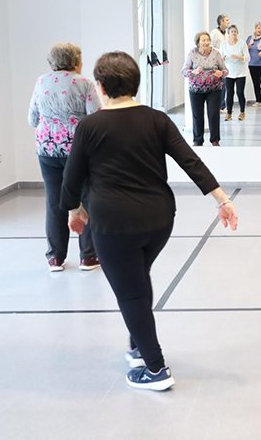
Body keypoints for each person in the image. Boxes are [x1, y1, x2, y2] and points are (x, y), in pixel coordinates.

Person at [62, 51, 239, 391]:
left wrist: (74, 211)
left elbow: (71, 181)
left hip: (114, 225)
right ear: (136, 83)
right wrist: (222, 199)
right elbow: (191, 160)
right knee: (137, 279)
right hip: (159, 220)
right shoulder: (156, 119)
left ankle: (155, 368)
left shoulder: (89, 126)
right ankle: (138, 343)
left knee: (130, 293)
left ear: (100, 87)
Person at [28, 42, 102, 272]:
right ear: (77, 61)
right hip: (78, 151)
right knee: (87, 198)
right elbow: (96, 118)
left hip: (47, 150)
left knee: (54, 201)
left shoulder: (41, 81)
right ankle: (88, 256)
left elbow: (32, 118)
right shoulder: (84, 83)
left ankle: (55, 258)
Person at [182, 31, 227, 146]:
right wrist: (193, 71)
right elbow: (184, 71)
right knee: (197, 115)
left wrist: (220, 73)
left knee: (213, 114)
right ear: (198, 42)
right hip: (196, 90)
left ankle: (215, 140)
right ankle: (198, 140)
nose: (206, 42)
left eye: (208, 40)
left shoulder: (216, 53)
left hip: (214, 89)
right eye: (203, 40)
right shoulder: (192, 53)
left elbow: (226, 71)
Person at [222, 25, 249, 121]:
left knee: (239, 92)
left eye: (235, 31)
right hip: (229, 73)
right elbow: (220, 57)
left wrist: (239, 57)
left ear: (237, 33)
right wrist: (223, 58)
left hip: (240, 72)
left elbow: (247, 58)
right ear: (228, 34)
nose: (233, 33)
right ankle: (229, 114)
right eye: (231, 32)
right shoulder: (224, 44)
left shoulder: (242, 43)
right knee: (229, 93)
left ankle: (242, 112)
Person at [210, 14, 230, 110]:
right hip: (216, 62)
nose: (228, 22)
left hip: (224, 62)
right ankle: (219, 106)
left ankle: (222, 106)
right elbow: (211, 46)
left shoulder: (226, 33)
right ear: (221, 22)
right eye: (226, 20)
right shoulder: (214, 33)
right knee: (219, 85)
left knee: (224, 85)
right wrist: (220, 53)